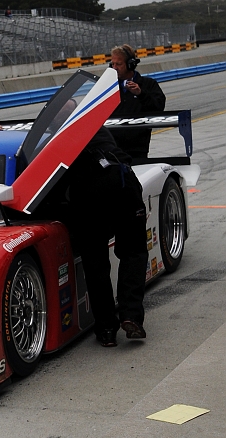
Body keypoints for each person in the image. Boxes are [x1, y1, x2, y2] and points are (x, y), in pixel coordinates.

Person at [63, 127, 148, 346]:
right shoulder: (97, 125)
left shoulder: (58, 138)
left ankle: (107, 329)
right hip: (123, 183)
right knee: (133, 253)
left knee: (95, 263)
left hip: (89, 193)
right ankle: (131, 315)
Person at [108, 44, 166, 160]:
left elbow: (158, 108)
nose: (114, 68)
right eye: (112, 64)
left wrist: (141, 94)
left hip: (137, 149)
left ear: (130, 65)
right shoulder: (107, 87)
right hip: (111, 148)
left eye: (118, 64)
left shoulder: (148, 84)